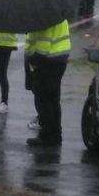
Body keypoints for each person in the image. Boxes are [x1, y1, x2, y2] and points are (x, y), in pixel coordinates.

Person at [24, 19, 71, 147]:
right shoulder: (57, 14)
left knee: (43, 101)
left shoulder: (42, 18)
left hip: (46, 62)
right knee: (53, 100)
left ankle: (47, 135)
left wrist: (32, 59)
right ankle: (56, 135)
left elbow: (42, 47)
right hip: (59, 59)